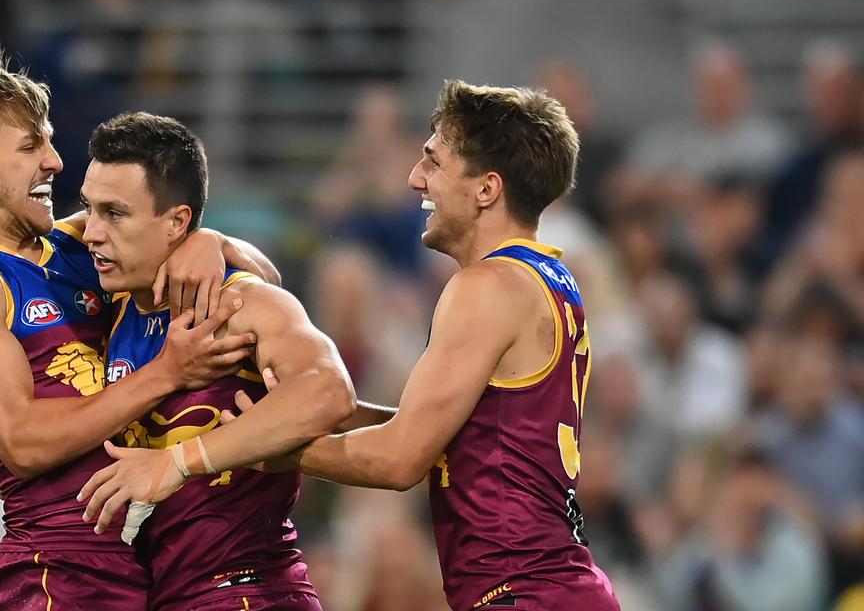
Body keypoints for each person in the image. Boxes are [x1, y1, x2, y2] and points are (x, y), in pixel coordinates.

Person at [85, 81, 621, 610]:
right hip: (557, 585)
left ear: (486, 189)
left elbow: (399, 459)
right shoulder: (549, 278)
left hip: (523, 592)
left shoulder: (485, 287)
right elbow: (458, 433)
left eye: (434, 162)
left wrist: (259, 451)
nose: (416, 179)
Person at [0, 40, 276, 610]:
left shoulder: (77, 244)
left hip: (151, 562)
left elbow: (266, 283)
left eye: (49, 141)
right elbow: (22, 443)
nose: (54, 161)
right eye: (30, 146)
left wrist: (208, 238)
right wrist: (168, 373)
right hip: (59, 568)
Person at [73, 112, 356, 611]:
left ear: (177, 221)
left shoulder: (237, 304)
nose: (92, 232)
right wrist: (217, 237)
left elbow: (330, 391)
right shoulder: (106, 305)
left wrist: (178, 463)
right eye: (88, 209)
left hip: (246, 592)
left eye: (114, 214)